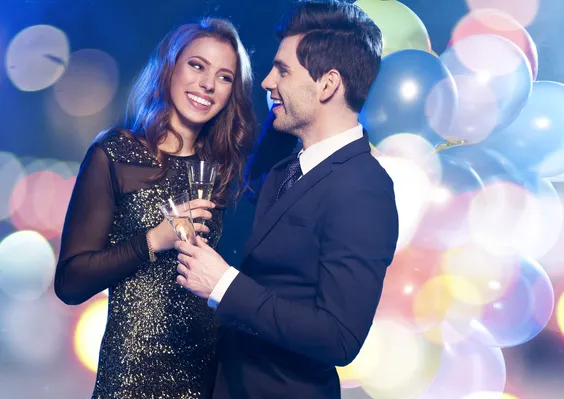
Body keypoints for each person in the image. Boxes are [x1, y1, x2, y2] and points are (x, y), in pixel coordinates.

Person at [174, 1, 399, 398]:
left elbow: (340, 337)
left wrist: (224, 284)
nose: (266, 82)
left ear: (327, 84)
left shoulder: (365, 188)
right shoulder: (280, 167)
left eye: (282, 70)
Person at [53, 18, 256, 398]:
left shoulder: (226, 171)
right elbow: (69, 282)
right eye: (197, 65)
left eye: (225, 76)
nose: (208, 84)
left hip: (207, 378)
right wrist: (154, 239)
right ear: (170, 67)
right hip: (132, 378)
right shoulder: (114, 154)